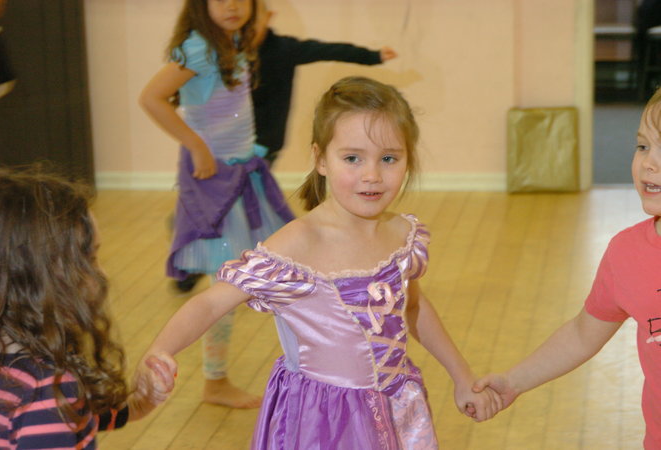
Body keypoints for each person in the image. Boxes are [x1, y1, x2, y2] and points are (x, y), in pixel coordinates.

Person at [138, 76, 502, 448]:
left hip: (397, 409)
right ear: (320, 159)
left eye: (389, 158)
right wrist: (160, 350)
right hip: (323, 423)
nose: (372, 175)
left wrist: (461, 376)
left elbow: (413, 306)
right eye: (352, 158)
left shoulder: (400, 234)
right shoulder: (298, 243)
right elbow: (211, 303)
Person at [473, 87, 661, 449]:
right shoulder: (626, 253)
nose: (648, 163)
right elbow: (581, 334)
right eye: (642, 146)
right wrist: (513, 382)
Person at [139, 0, 294, 409]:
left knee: (243, 276)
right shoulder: (199, 48)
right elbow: (151, 97)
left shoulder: (232, 41)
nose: (232, 5)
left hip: (241, 172)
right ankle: (215, 381)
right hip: (216, 180)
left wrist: (260, 20)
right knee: (227, 283)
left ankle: (219, 378)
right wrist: (196, 144)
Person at [0, 168, 174, 449]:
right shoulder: (44, 395)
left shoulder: (0, 358)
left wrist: (135, 406)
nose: (102, 274)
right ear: (38, 279)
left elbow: (76, 418)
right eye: (91, 259)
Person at [252, 5, 397, 165]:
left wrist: (373, 56)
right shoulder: (231, 53)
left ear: (268, 17)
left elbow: (329, 50)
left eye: (254, 19)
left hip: (266, 141)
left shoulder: (283, 49)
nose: (248, 27)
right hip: (234, 137)